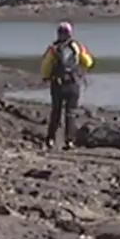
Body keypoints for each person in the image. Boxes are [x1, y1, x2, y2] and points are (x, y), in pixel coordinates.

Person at [39, 21, 95, 149]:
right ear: (70, 33)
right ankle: (69, 141)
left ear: (58, 33)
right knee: (71, 113)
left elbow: (46, 66)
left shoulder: (53, 48)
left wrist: (46, 77)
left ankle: (51, 139)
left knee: (56, 112)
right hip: (73, 84)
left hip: (58, 84)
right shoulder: (77, 47)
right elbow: (88, 62)